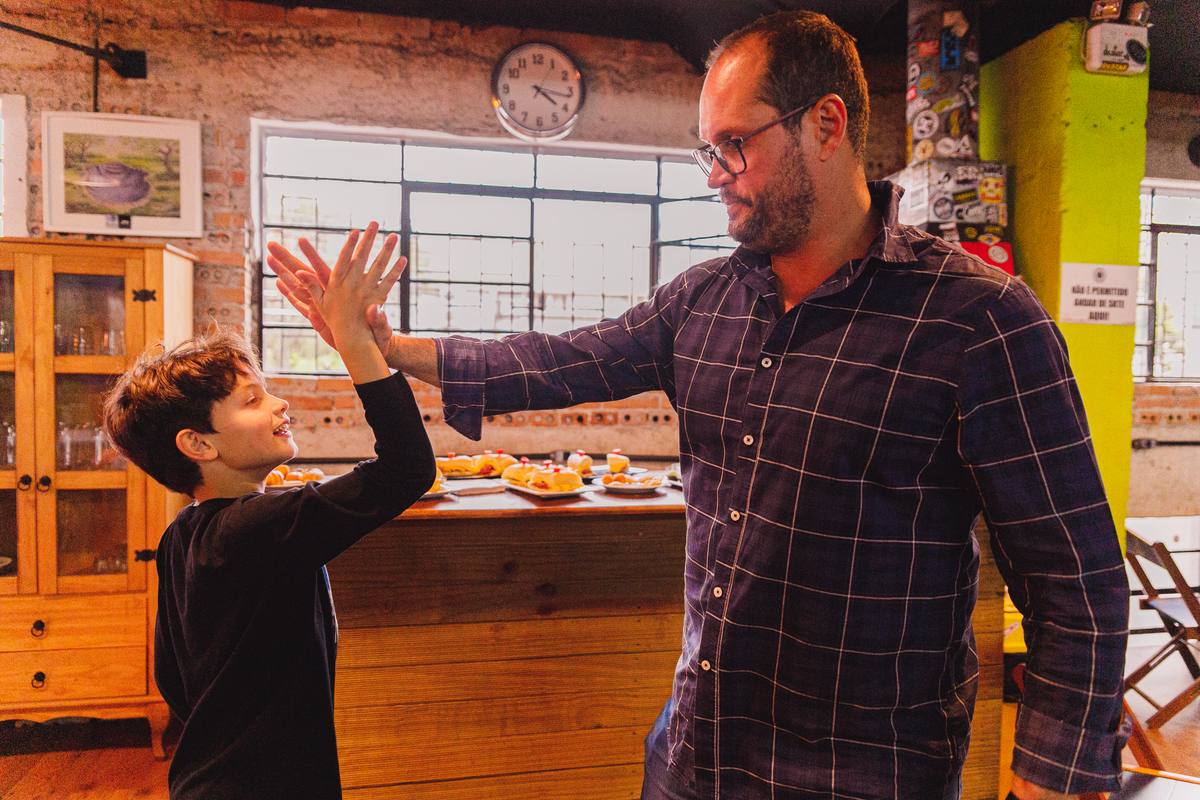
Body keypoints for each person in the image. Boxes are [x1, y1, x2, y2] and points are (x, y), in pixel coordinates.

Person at [268, 12, 1129, 800]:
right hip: (696, 754)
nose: (716, 176)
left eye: (734, 146)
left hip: (865, 775)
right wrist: (383, 346)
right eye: (705, 151)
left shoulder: (979, 320)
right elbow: (559, 361)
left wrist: (1049, 783)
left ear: (826, 125)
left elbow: (1075, 586)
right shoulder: (703, 299)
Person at [105, 223, 436, 799]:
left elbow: (174, 679)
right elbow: (406, 468)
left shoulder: (186, 533)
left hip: (207, 777)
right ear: (199, 445)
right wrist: (355, 342)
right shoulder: (256, 529)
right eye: (252, 400)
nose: (278, 401)